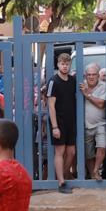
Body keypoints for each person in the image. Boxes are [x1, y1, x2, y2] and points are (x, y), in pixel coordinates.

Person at [46, 53, 77, 194]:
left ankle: (64, 175)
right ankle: (61, 182)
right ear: (58, 65)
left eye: (67, 64)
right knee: (60, 151)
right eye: (62, 64)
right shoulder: (53, 81)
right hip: (59, 121)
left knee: (71, 152)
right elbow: (51, 105)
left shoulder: (72, 80)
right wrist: (54, 127)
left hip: (71, 121)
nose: (65, 66)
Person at [79, 63, 106, 181]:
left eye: (94, 74)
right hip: (84, 125)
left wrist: (88, 95)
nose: (91, 77)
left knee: (102, 146)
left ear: (98, 75)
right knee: (88, 153)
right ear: (85, 75)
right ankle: (93, 174)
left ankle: (96, 170)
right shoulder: (81, 86)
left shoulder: (103, 86)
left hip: (100, 123)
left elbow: (101, 104)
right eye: (88, 74)